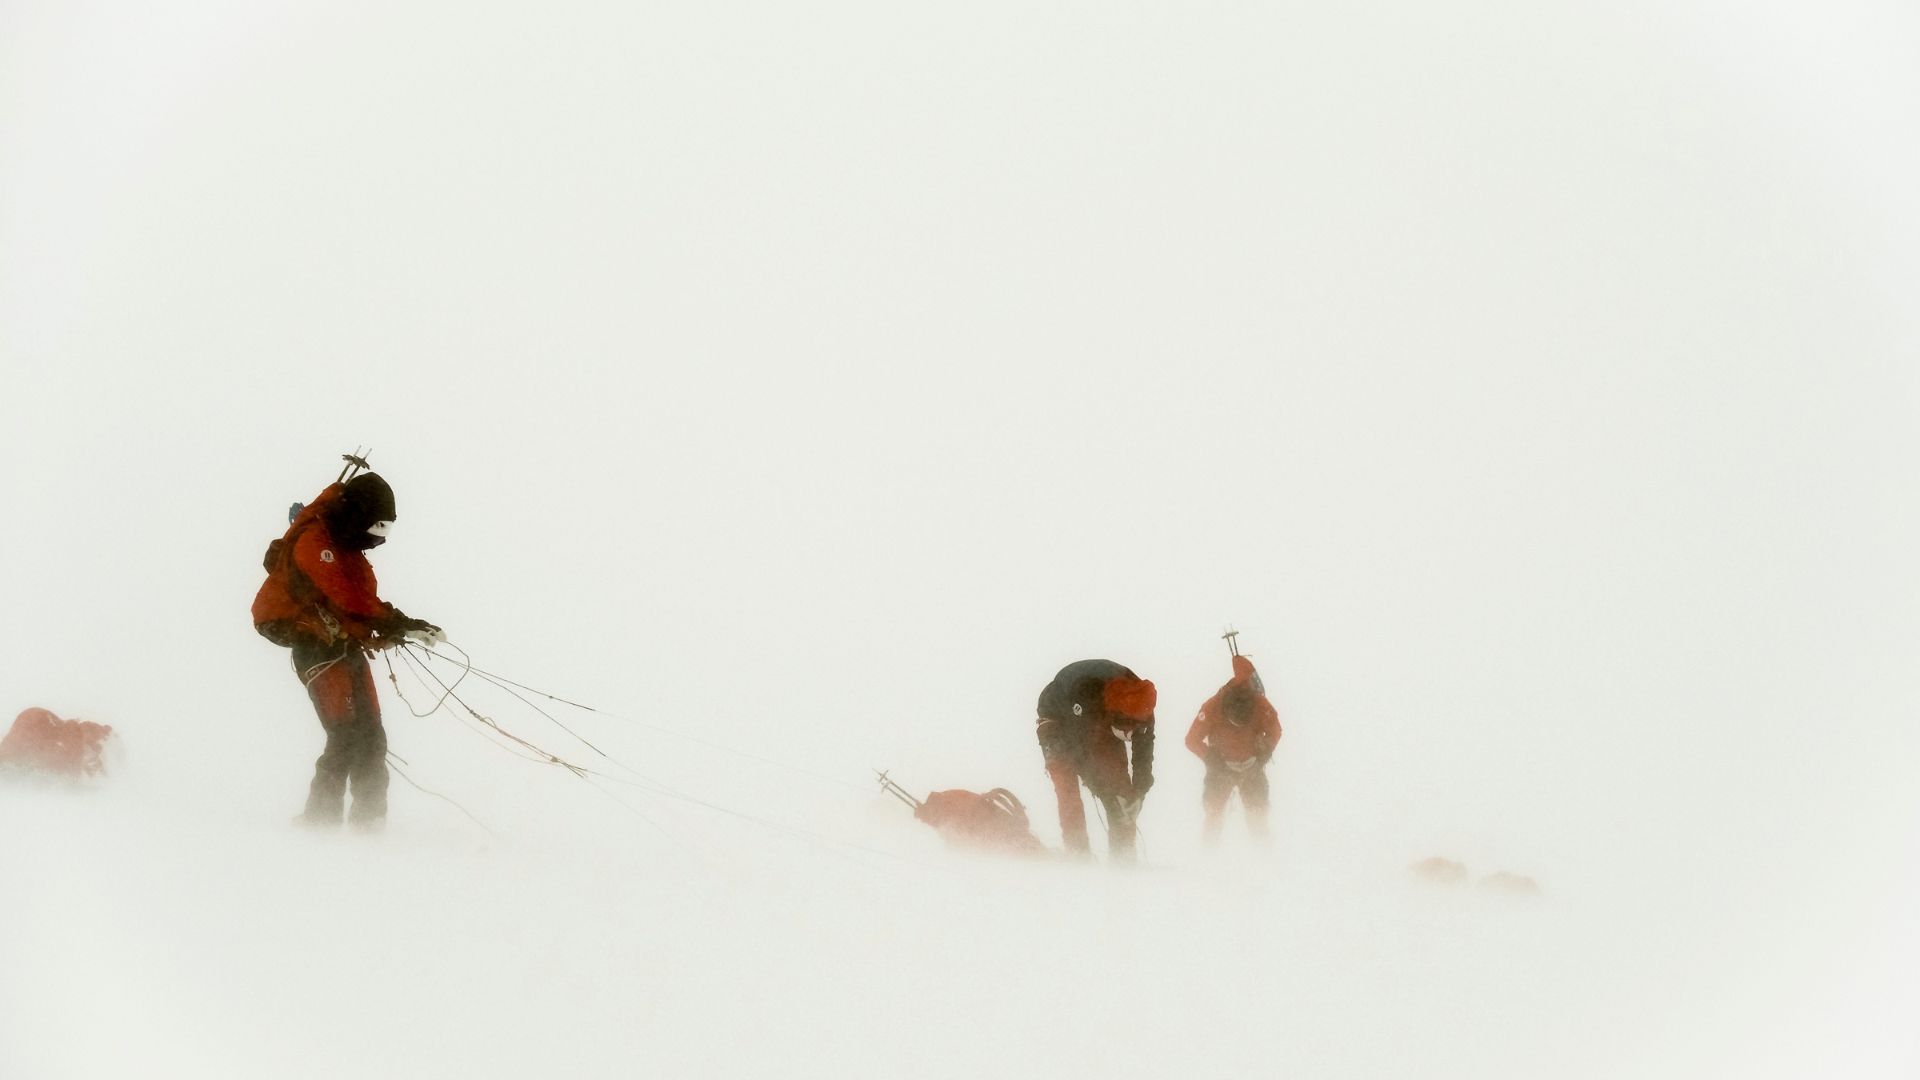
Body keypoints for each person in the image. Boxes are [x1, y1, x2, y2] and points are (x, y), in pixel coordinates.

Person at [252, 471, 439, 830]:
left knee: (372, 735)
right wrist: (397, 622)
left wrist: (389, 629)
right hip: (313, 646)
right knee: (346, 736)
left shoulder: (349, 548)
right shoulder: (313, 542)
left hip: (340, 643)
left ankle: (368, 826)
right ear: (359, 517)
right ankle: (318, 825)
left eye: (385, 531)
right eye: (377, 527)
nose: (378, 539)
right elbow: (347, 598)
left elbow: (358, 606)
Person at [1033, 659, 1156, 861]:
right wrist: (1106, 793)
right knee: (1067, 787)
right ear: (1115, 717)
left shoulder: (1143, 706)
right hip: (1058, 716)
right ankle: (1078, 855)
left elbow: (1144, 750)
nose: (1131, 737)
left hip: (1098, 719)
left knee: (1121, 789)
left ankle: (1124, 857)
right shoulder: (1088, 698)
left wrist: (1138, 792)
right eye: (1126, 733)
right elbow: (1082, 754)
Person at [1184, 653, 1282, 845]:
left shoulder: (1261, 704)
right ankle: (1208, 859)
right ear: (1225, 710)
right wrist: (1211, 758)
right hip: (1220, 769)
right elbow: (1191, 739)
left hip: (1252, 768)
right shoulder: (1212, 706)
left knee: (1258, 819)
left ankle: (1265, 861)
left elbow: (1275, 731)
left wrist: (1263, 754)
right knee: (1213, 816)